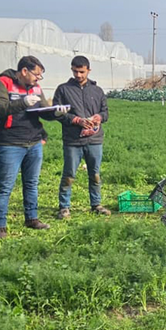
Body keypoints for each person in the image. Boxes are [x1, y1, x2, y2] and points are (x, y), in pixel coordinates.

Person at [0, 56, 69, 239]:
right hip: (10, 143)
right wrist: (23, 103)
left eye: (40, 76)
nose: (38, 79)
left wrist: (56, 113)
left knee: (31, 184)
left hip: (34, 142)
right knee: (5, 186)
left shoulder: (35, 88)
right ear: (24, 71)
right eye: (36, 74)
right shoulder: (1, 84)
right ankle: (0, 226)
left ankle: (31, 218)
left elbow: (43, 111)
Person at [52, 56, 111, 219]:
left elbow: (105, 112)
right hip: (73, 140)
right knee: (69, 174)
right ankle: (64, 207)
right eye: (75, 71)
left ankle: (96, 204)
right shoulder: (63, 90)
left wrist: (99, 117)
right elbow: (57, 113)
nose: (78, 75)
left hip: (94, 140)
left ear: (88, 70)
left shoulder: (97, 91)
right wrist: (75, 120)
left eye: (81, 72)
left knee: (95, 174)